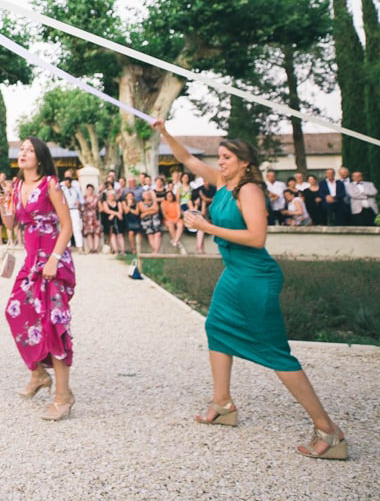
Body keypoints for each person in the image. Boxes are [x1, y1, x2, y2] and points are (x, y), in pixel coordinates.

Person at [156, 122, 347, 460]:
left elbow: (257, 238)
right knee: (215, 327)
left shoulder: (249, 190)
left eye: (227, 157)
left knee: (274, 351)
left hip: (256, 275)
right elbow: (187, 158)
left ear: (245, 162)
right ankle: (223, 403)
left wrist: (205, 226)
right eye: (220, 157)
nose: (221, 162)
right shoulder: (222, 182)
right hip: (234, 273)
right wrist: (164, 132)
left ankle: (329, 431)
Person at [0, 136, 76, 422]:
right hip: (31, 262)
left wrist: (54, 259)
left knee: (53, 324)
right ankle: (39, 373)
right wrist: (3, 204)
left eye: (30, 150)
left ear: (40, 158)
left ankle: (63, 396)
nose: (23, 153)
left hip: (53, 259)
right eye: (21, 149)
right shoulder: (17, 186)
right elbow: (11, 225)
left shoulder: (50, 184)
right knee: (14, 311)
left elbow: (66, 226)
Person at [99, 189, 124, 254]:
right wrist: (116, 213)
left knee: (120, 235)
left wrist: (115, 214)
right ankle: (116, 251)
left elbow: (121, 210)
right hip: (109, 221)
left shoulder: (118, 202)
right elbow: (107, 210)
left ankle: (123, 251)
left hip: (118, 220)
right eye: (110, 195)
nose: (111, 196)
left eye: (113, 195)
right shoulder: (105, 202)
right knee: (112, 235)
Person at [138, 188, 163, 253]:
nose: (148, 195)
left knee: (158, 234)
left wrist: (146, 213)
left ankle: (156, 251)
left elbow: (156, 209)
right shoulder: (141, 203)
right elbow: (143, 210)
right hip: (147, 222)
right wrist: (152, 210)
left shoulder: (154, 202)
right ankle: (156, 251)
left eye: (149, 194)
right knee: (150, 235)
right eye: (146, 194)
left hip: (156, 221)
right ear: (143, 196)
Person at [161, 189, 185, 253]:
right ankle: (177, 243)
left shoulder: (176, 203)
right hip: (167, 219)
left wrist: (176, 219)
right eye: (168, 196)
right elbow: (164, 214)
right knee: (170, 225)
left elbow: (179, 213)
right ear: (166, 196)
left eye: (171, 195)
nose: (170, 197)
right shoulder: (163, 203)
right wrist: (170, 220)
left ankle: (175, 241)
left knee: (180, 224)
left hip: (176, 218)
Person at [80, 184, 101, 254]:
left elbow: (99, 207)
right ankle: (91, 248)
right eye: (88, 189)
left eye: (91, 189)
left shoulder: (96, 198)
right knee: (88, 233)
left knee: (96, 232)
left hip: (95, 216)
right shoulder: (83, 198)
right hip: (87, 217)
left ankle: (96, 248)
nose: (90, 191)